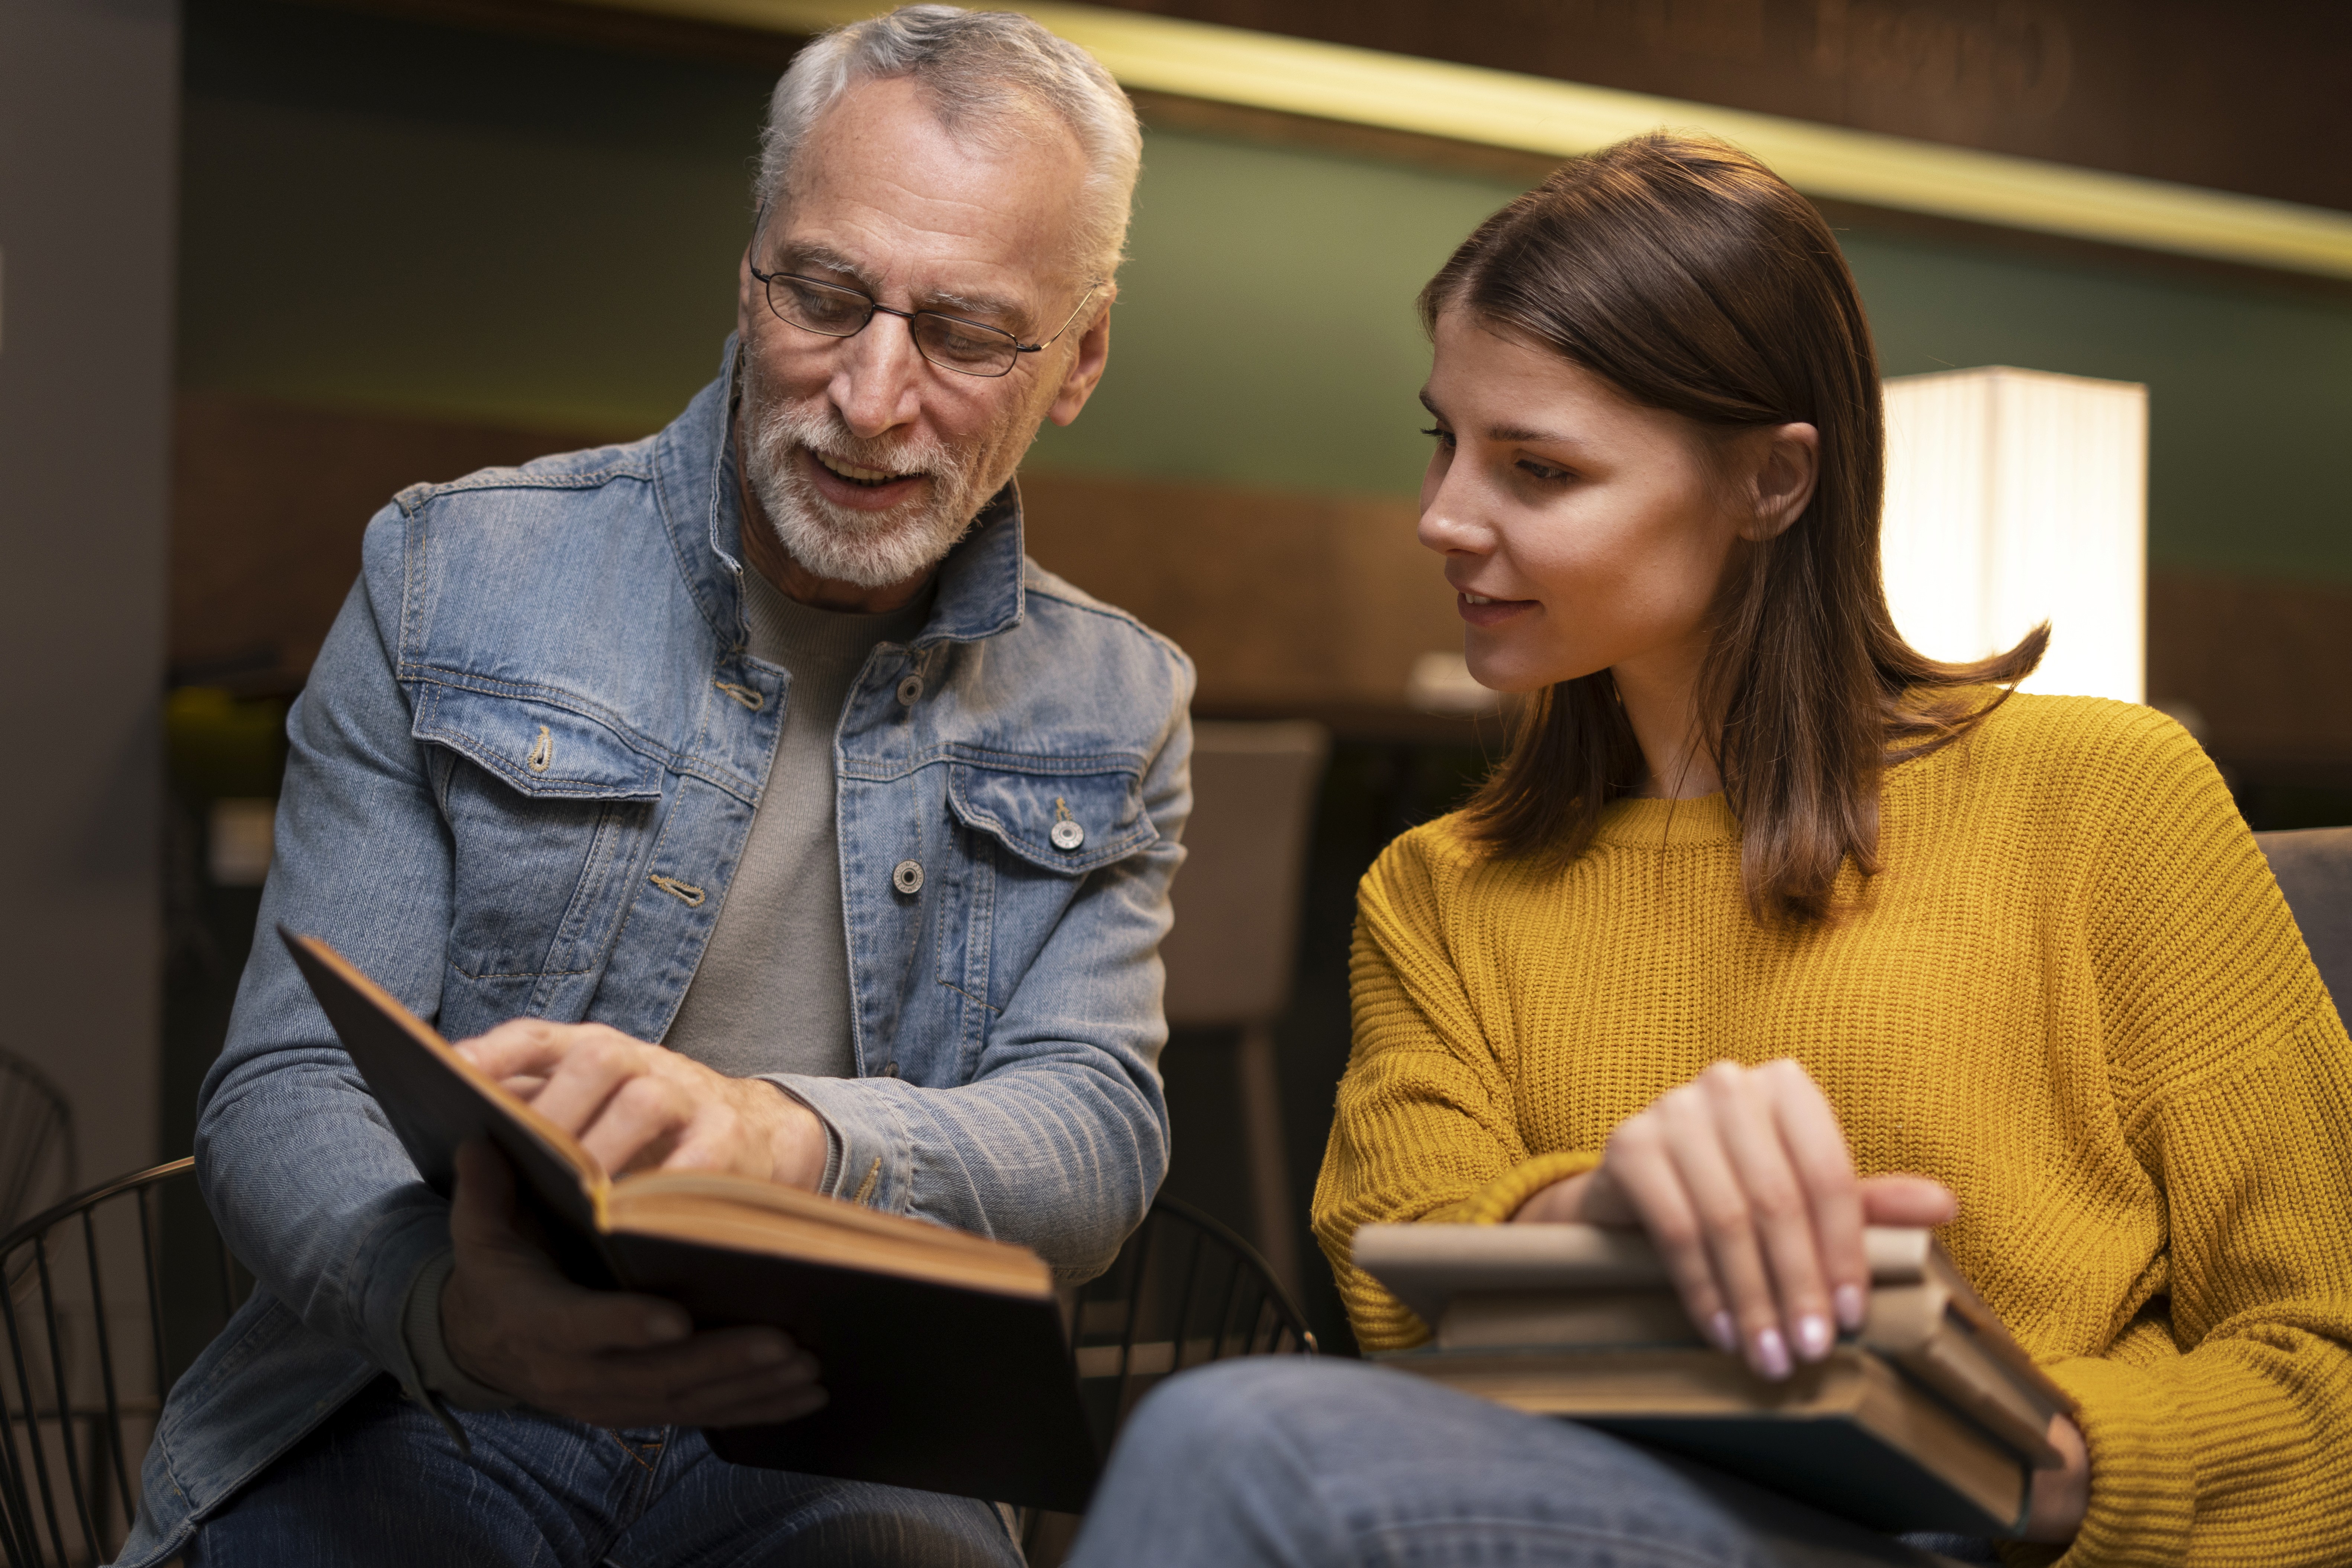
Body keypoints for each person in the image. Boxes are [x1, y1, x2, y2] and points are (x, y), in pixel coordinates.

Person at [1068, 132, 2352, 1567]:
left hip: (2008, 1538)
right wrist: (1592, 1215)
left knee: (1230, 1443)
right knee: (1241, 1436)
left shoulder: (2108, 797)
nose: (1442, 515)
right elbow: (1396, 1282)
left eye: (1538, 468)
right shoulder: (1441, 889)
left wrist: (2042, 1453)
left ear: (1773, 484)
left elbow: (2328, 1371)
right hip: (1607, 1516)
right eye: (1445, 437)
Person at [117, 9, 1192, 1567]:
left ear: (1079, 356)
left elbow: (1094, 1135)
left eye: (963, 335)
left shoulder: (1120, 698)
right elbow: (284, 1092)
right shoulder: (443, 573)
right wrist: (456, 1309)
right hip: (420, 1389)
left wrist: (783, 1138)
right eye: (824, 297)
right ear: (748, 274)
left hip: (841, 1429)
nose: (874, 396)